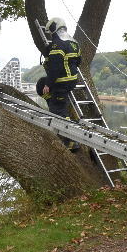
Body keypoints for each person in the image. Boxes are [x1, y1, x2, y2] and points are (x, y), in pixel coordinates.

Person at [40, 17, 82, 151]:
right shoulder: (74, 42)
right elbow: (78, 61)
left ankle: (72, 141)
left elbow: (55, 67)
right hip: (71, 80)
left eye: (51, 31)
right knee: (40, 84)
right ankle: (53, 102)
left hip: (61, 81)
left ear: (55, 28)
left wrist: (49, 84)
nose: (51, 35)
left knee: (58, 112)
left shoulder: (58, 44)